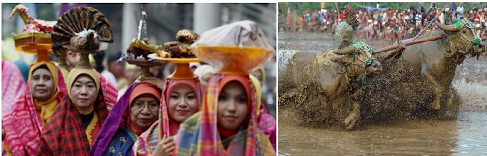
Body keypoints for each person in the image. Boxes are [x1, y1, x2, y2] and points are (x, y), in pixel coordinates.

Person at [173, 74, 275, 155]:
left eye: (241, 100)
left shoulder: (261, 145)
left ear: (250, 104)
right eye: (223, 98)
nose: (231, 108)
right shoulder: (188, 135)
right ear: (212, 100)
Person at [36, 60, 117, 155]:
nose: (84, 92)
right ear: (69, 89)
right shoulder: (56, 126)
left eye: (90, 86)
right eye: (78, 86)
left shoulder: (108, 126)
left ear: (98, 90)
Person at [3, 60, 66, 155]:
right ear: (29, 83)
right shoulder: (16, 115)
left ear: (55, 82)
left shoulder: (66, 112)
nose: (41, 83)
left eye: (47, 78)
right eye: (36, 78)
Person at [133, 72, 202, 156]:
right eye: (175, 97)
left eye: (190, 97)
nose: (182, 103)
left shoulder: (212, 135)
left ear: (200, 100)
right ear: (165, 100)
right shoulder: (147, 140)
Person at [91, 83, 162, 156]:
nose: (146, 111)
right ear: (128, 108)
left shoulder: (166, 137)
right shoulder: (115, 139)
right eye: (139, 104)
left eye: (153, 105)